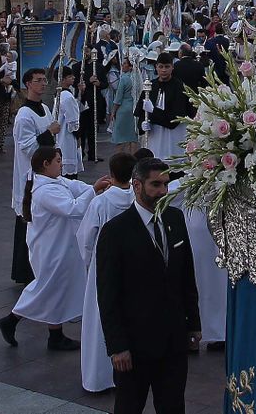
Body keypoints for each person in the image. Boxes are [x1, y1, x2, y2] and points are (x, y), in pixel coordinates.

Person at [96, 157, 201, 413]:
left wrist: (194, 323)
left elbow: (186, 275)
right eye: (155, 184)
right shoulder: (116, 231)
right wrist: (117, 346)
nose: (163, 191)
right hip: (135, 344)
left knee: (173, 406)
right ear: (137, 185)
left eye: (166, 184)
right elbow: (108, 294)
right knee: (130, 406)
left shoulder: (175, 219)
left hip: (173, 339)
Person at [0, 147, 96, 350]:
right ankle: (11, 319)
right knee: (46, 287)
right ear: (46, 164)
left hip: (59, 245)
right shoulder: (44, 192)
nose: (61, 164)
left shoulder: (55, 181)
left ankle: (55, 334)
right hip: (51, 249)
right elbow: (73, 208)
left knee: (56, 289)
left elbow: (77, 187)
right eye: (58, 161)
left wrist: (93, 188)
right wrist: (94, 190)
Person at [78, 151, 138, 393]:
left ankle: (98, 378)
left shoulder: (101, 202)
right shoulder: (138, 199)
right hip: (133, 266)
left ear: (111, 175)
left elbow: (85, 237)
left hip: (103, 267)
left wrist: (90, 263)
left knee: (100, 319)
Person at [11, 68, 59, 284]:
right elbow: (27, 147)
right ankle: (24, 270)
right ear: (28, 84)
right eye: (38, 81)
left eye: (44, 80)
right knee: (26, 221)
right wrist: (49, 133)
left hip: (45, 174)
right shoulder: (24, 115)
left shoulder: (45, 109)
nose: (42, 84)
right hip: (29, 175)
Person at [169, 174, 227, 352]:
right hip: (197, 238)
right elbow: (168, 195)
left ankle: (219, 331)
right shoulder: (190, 181)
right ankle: (193, 332)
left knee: (215, 285)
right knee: (194, 284)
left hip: (217, 236)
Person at [145, 52, 193, 161]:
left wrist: (153, 111)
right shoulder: (150, 86)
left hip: (174, 136)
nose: (163, 70)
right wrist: (143, 124)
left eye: (167, 67)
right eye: (160, 66)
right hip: (155, 136)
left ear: (172, 67)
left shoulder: (179, 86)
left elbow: (175, 117)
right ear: (156, 67)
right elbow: (142, 111)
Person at [109, 52, 143, 155]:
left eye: (124, 64)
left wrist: (113, 111)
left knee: (120, 137)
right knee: (133, 137)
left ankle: (119, 160)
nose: (122, 65)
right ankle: (133, 159)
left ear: (130, 66)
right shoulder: (137, 77)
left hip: (123, 109)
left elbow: (118, 98)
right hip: (133, 108)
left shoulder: (124, 79)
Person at [54, 66, 82, 179]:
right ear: (63, 79)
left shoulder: (61, 94)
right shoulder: (67, 97)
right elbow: (73, 122)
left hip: (61, 136)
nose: (73, 78)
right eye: (70, 76)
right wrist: (78, 137)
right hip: (67, 137)